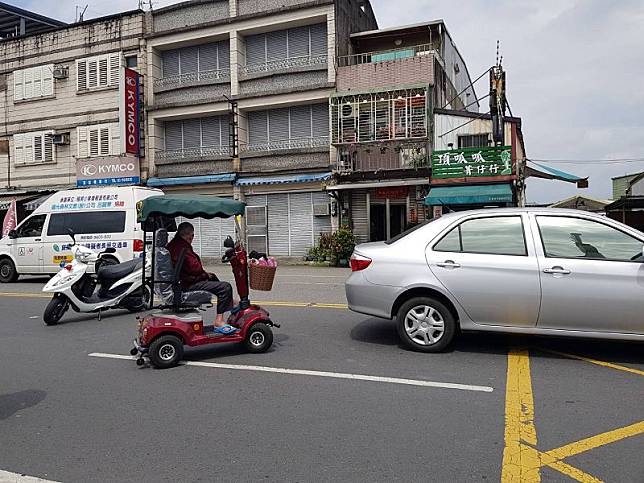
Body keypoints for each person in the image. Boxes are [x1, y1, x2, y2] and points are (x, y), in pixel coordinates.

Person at [167, 222, 237, 333]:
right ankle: (219, 320)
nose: (192, 238)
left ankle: (230, 303)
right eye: (192, 235)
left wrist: (205, 274)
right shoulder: (182, 247)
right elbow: (195, 268)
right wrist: (203, 274)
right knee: (225, 287)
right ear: (190, 235)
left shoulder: (173, 244)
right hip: (187, 283)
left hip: (182, 280)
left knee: (212, 276)